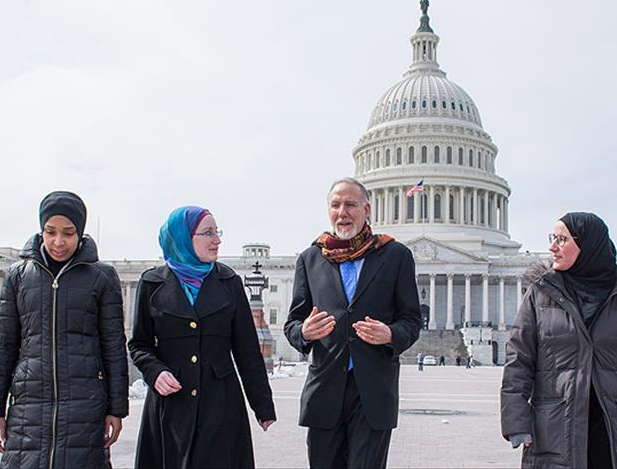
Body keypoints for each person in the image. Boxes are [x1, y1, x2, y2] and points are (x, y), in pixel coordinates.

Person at [501, 212, 617, 468]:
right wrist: (516, 422)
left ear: (586, 245)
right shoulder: (540, 293)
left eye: (561, 239)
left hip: (613, 429)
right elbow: (519, 362)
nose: (552, 247)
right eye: (552, 238)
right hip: (557, 427)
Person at [0, 191, 129, 468]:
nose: (58, 242)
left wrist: (116, 408)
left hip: (85, 406)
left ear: (80, 233)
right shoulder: (18, 276)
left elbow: (113, 346)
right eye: (50, 232)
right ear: (41, 230)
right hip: (28, 407)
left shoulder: (101, 277)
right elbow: (4, 345)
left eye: (68, 233)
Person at [284, 177, 422, 469]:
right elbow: (293, 324)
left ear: (367, 209)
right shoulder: (310, 259)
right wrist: (304, 332)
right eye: (335, 205)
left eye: (350, 204)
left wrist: (389, 334)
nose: (342, 212)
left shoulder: (396, 256)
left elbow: (411, 320)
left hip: (373, 391)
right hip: (325, 389)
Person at [129, 206, 276, 469]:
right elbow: (139, 344)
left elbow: (246, 350)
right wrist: (155, 372)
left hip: (220, 403)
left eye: (217, 232)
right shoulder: (151, 283)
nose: (217, 240)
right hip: (170, 406)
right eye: (208, 233)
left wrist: (262, 406)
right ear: (184, 238)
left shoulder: (229, 281)